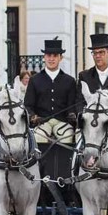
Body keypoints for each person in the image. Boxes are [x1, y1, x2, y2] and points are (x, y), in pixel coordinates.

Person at [23, 38, 78, 182]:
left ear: (60, 58)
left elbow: (73, 105)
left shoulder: (70, 81)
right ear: (44, 57)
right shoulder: (35, 80)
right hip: (42, 123)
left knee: (67, 138)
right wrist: (33, 116)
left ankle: (66, 178)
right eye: (48, 55)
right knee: (38, 139)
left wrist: (72, 115)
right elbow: (28, 104)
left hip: (63, 123)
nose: (51, 59)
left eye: (55, 56)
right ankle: (39, 178)